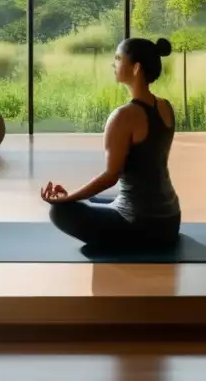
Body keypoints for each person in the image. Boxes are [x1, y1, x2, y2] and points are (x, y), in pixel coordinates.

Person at [40, 37, 181, 253]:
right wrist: (77, 195)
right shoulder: (166, 107)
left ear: (135, 68)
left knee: (59, 212)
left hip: (141, 226)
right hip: (170, 220)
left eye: (118, 58)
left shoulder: (123, 116)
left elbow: (110, 176)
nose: (113, 64)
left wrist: (68, 199)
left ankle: (73, 206)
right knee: (98, 197)